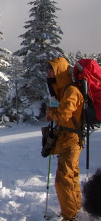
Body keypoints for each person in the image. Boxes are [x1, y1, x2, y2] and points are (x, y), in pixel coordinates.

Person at [45, 57, 84, 221]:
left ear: (59, 70)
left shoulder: (71, 91)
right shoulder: (61, 91)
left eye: (51, 69)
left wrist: (51, 113)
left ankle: (69, 216)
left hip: (72, 140)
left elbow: (64, 115)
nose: (47, 73)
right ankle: (74, 209)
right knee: (71, 176)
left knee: (62, 179)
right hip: (66, 139)